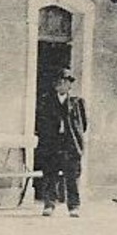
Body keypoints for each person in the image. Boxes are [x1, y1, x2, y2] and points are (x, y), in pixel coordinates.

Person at [34, 67, 87, 217]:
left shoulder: (77, 103)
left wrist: (74, 137)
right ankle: (49, 204)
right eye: (59, 82)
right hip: (52, 144)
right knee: (50, 175)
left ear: (69, 85)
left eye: (65, 82)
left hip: (70, 145)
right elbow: (41, 122)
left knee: (72, 176)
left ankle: (74, 207)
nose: (62, 85)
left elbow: (83, 125)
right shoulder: (47, 101)